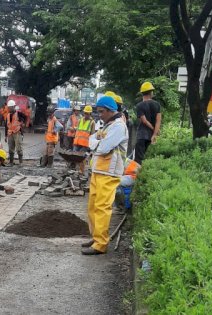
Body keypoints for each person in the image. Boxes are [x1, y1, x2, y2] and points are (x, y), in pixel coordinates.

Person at [82, 95, 128, 255]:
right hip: (98, 171)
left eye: (101, 111)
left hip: (109, 173)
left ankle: (101, 244)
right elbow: (91, 140)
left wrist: (97, 141)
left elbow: (103, 148)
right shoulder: (108, 125)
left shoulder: (118, 126)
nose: (99, 115)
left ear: (110, 110)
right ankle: (96, 237)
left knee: (102, 207)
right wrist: (97, 141)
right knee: (93, 206)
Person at [134, 82, 161, 165]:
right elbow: (158, 121)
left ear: (142, 93)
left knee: (138, 160)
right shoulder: (157, 105)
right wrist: (154, 134)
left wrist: (153, 129)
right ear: (151, 92)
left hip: (141, 136)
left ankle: (137, 177)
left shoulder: (139, 105)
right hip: (151, 137)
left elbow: (144, 121)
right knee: (148, 159)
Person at [4, 100, 26, 165]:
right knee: (11, 148)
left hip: (17, 133)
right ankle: (11, 162)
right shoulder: (8, 115)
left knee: (19, 148)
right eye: (9, 107)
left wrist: (22, 123)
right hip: (10, 133)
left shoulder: (19, 114)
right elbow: (6, 126)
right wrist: (5, 136)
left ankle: (21, 162)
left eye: (10, 107)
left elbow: (25, 118)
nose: (9, 109)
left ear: (14, 107)